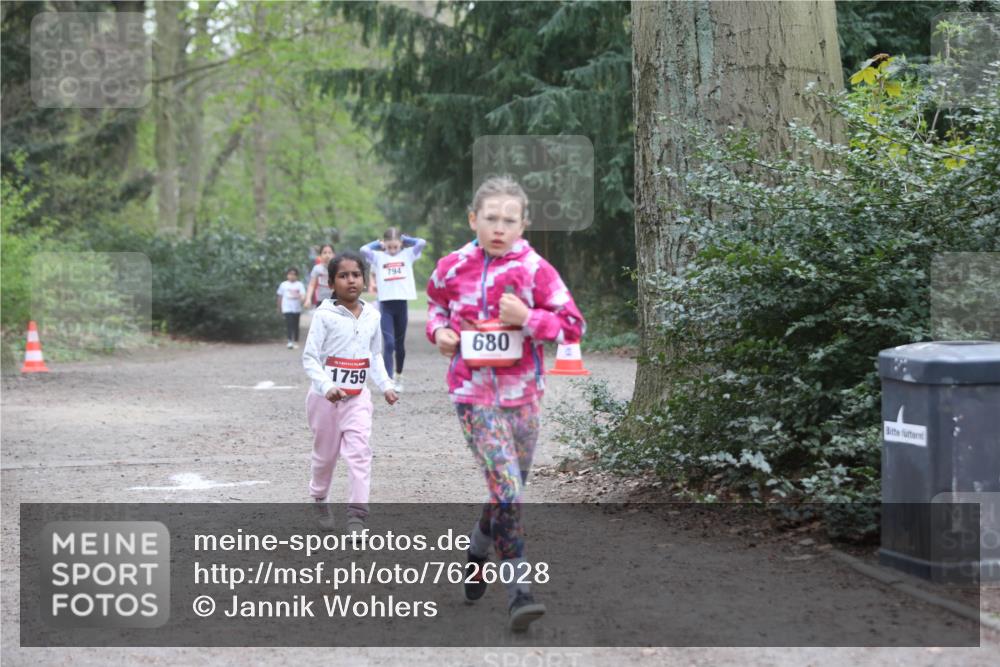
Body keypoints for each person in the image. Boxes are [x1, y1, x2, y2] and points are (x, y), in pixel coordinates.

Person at [425, 176, 585, 632]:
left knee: (505, 491)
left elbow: (573, 326)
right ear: (473, 219)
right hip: (472, 396)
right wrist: (439, 332)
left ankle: (477, 551)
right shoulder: (452, 267)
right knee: (509, 491)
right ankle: (520, 594)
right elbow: (436, 306)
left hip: (524, 399)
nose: (499, 228)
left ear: (523, 225)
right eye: (490, 218)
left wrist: (528, 318)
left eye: (509, 220)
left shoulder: (536, 270)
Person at [302, 250, 399, 536]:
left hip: (357, 399)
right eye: (343, 276)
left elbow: (375, 356)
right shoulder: (324, 316)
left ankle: (357, 516)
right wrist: (327, 386)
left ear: (365, 279)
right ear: (331, 283)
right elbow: (310, 358)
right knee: (325, 457)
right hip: (324, 401)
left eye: (356, 274)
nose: (351, 280)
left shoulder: (372, 316)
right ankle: (319, 497)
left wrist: (386, 385)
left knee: (359, 453)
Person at [361, 228, 427, 392]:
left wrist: (406, 240)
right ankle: (388, 380)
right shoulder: (378, 257)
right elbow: (363, 249)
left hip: (401, 305)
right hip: (386, 306)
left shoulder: (407, 255)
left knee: (399, 345)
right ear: (385, 245)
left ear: (400, 245)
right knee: (389, 344)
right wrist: (378, 244)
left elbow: (421, 242)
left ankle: (398, 376)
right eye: (389, 247)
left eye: (395, 247)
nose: (392, 250)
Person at [276, 267, 306, 349]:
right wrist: (279, 307)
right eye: (290, 274)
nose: (292, 276)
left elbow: (303, 295)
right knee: (289, 324)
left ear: (297, 276)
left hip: (296, 308)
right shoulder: (283, 285)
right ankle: (289, 340)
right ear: (287, 275)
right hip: (287, 308)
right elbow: (280, 296)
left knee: (296, 325)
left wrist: (303, 299)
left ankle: (296, 341)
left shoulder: (299, 285)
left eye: (294, 274)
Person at [304, 244, 335, 308]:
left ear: (333, 255)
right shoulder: (317, 268)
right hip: (321, 301)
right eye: (324, 253)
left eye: (330, 253)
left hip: (334, 300)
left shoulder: (337, 268)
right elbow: (312, 285)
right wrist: (308, 299)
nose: (327, 255)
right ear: (320, 255)